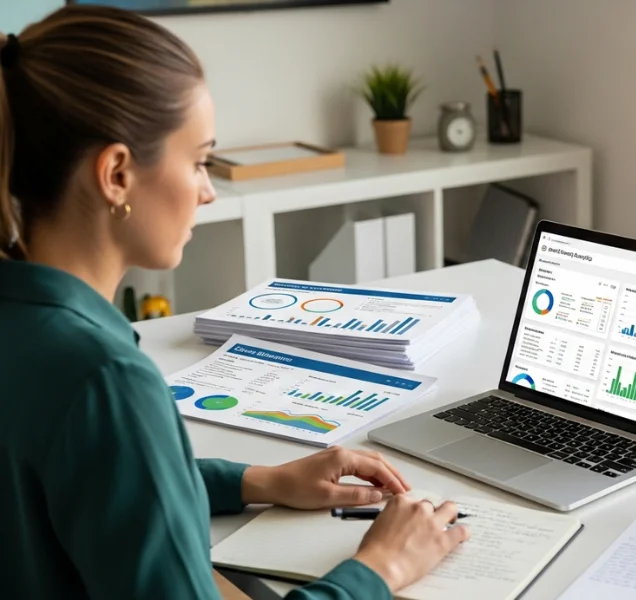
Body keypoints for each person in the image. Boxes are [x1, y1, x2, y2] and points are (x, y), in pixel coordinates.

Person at [0, 5, 469, 599]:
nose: (208, 192)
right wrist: (379, 570)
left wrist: (259, 480)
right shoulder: (105, 380)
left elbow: (93, 482)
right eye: (198, 162)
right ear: (116, 174)